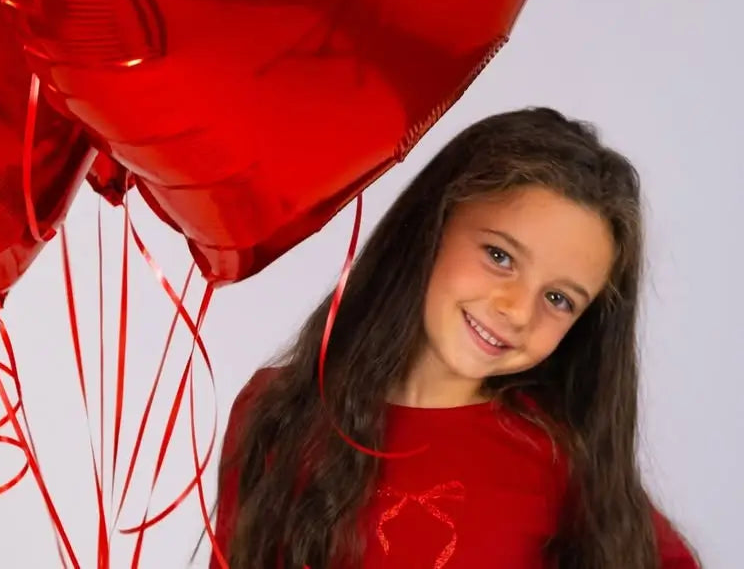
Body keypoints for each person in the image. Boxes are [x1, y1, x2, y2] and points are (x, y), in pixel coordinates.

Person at [209, 107, 699, 568]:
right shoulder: (274, 409)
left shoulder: (558, 460)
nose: (516, 310)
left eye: (558, 299)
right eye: (500, 256)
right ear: (433, 226)